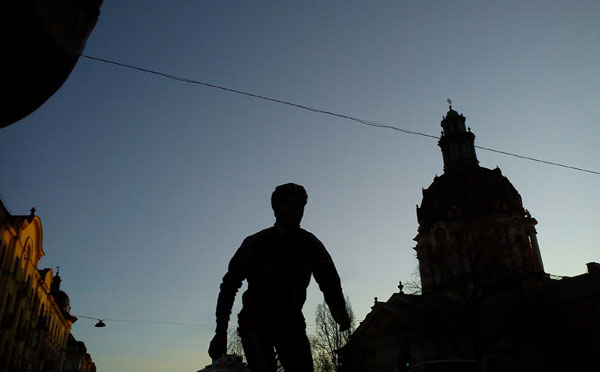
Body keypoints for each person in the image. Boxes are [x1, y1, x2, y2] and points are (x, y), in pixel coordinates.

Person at [208, 183, 350, 372]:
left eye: (299, 205)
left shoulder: (310, 244)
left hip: (291, 323)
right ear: (276, 209)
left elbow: (328, 277)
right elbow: (229, 285)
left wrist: (338, 308)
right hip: (255, 325)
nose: (295, 210)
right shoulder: (255, 243)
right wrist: (221, 331)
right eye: (288, 204)